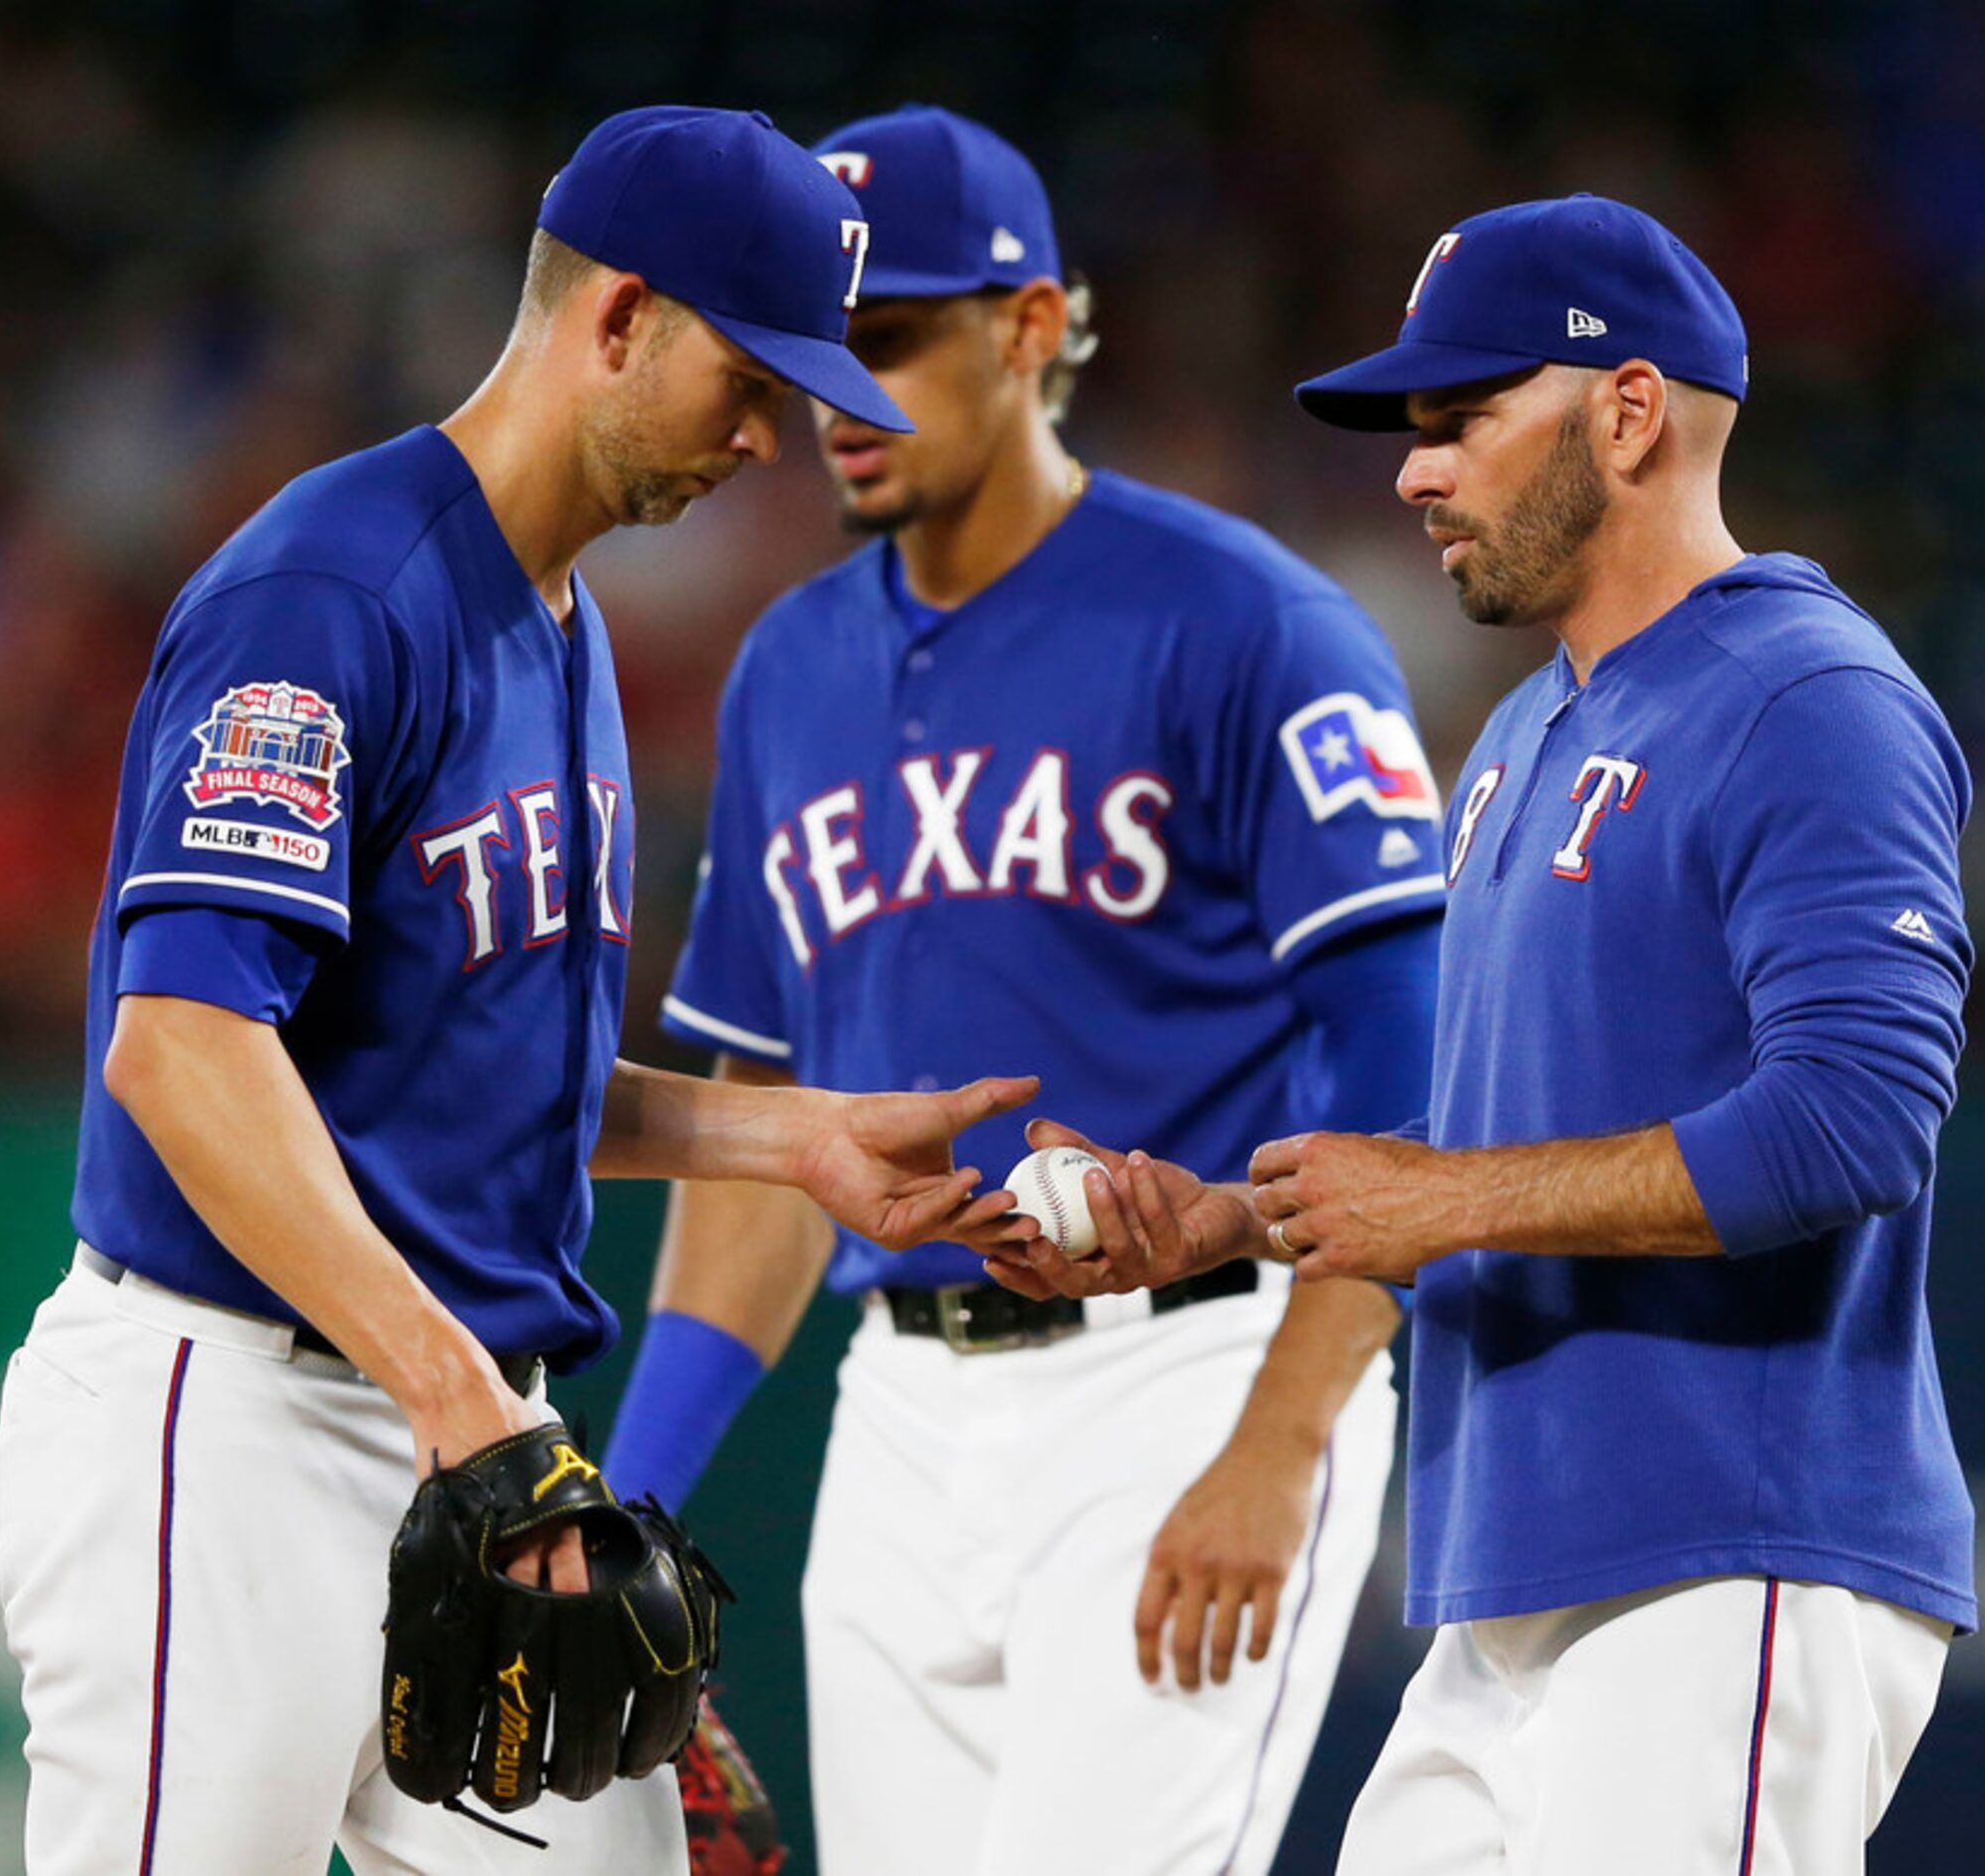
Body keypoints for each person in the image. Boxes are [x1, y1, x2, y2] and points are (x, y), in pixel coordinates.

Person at [0, 104, 1037, 1876]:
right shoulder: (336, 590)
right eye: (749, 369)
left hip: (455, 1427)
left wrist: (789, 1140)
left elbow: (465, 1066)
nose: (773, 429)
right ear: (619, 316)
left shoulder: (559, 619)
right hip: (227, 1420)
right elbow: (181, 1045)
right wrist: (467, 1404)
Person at [985, 195, 1977, 1876]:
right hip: (1509, 1581)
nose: (1413, 470)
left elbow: (1855, 1119)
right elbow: (1482, 1147)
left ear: (1628, 409)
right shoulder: (1522, 731)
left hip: (1724, 1549)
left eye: (1462, 418)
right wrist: (1230, 1218)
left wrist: (1432, 1204)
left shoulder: (1812, 697)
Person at [600, 105, 1441, 1876]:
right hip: (897, 1411)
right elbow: (771, 1137)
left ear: (1037, 324)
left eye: (891, 334)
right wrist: (636, 1501)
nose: (844, 390)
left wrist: (1282, 1439)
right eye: (819, 344)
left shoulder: (1246, 623)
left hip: (1187, 1375)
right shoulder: (788, 671)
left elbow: (1408, 1071)